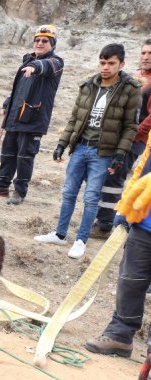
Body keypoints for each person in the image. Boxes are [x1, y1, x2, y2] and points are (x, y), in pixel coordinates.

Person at [35, 43, 141, 259]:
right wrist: (62, 144)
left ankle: (81, 240)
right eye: (102, 62)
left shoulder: (131, 89)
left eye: (111, 63)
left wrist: (120, 154)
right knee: (68, 193)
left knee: (92, 197)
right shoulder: (88, 85)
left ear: (122, 64)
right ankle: (60, 233)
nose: (105, 67)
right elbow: (75, 118)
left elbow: (131, 126)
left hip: (103, 153)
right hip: (81, 147)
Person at [0, 25, 64, 205]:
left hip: (34, 119)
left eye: (45, 41)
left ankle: (19, 192)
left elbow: (46, 66)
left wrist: (35, 66)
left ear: (52, 44)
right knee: (8, 153)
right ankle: (2, 186)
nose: (40, 43)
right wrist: (8, 103)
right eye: (37, 40)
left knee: (25, 157)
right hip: (15, 116)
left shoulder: (56, 62)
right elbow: (21, 89)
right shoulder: (27, 61)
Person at [84, 134, 151, 357]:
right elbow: (142, 167)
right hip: (144, 221)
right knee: (130, 280)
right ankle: (120, 334)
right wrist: (126, 206)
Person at [91, 38, 151, 237]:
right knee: (107, 176)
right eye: (143, 53)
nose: (146, 57)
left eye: (150, 54)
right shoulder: (135, 77)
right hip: (116, 138)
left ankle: (105, 225)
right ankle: (103, 219)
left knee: (115, 178)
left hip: (135, 140)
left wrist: (132, 136)